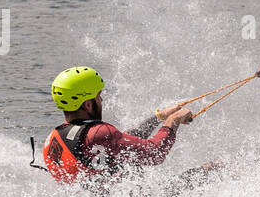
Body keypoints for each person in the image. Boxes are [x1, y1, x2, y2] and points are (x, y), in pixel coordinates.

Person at [41, 66, 219, 188]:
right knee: (214, 169)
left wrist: (158, 117)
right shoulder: (100, 133)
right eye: (98, 97)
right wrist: (173, 120)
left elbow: (120, 143)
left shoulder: (53, 140)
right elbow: (154, 153)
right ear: (88, 105)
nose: (101, 101)